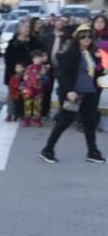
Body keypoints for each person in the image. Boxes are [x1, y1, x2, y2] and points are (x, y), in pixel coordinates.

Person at [40, 25, 106, 164]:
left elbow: (92, 72)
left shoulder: (92, 53)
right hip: (75, 93)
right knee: (64, 122)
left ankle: (92, 152)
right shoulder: (71, 53)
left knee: (90, 123)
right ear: (77, 38)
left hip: (90, 92)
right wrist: (69, 90)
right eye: (83, 36)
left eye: (89, 36)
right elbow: (62, 74)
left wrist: (102, 73)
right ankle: (48, 149)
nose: (86, 39)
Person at [21, 50, 50, 127]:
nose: (37, 60)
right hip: (28, 90)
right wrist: (23, 84)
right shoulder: (29, 67)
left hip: (39, 90)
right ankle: (27, 119)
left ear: (41, 58)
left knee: (38, 106)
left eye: (39, 58)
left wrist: (43, 77)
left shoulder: (44, 68)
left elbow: (46, 80)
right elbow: (24, 77)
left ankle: (37, 119)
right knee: (27, 105)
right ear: (32, 59)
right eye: (35, 58)